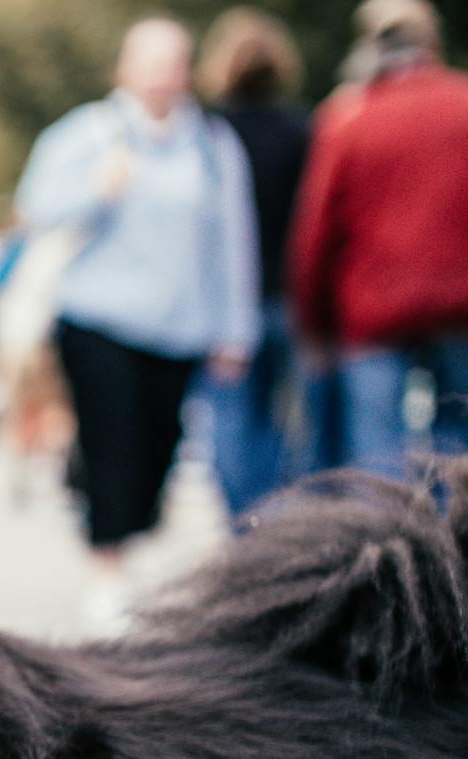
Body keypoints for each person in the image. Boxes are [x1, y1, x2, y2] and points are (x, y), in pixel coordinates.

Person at [14, 17, 259, 635]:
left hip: (179, 329)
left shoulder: (212, 144)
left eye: (172, 63)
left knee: (158, 453)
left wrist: (236, 329)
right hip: (100, 321)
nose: (160, 76)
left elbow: (233, 242)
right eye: (148, 63)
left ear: (188, 72)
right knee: (114, 444)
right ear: (124, 69)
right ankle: (108, 572)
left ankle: (118, 533)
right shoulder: (87, 134)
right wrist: (97, 190)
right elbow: (35, 210)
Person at [291, 0, 468, 477]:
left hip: (371, 310)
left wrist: (314, 325)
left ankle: (390, 545)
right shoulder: (463, 104)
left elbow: (317, 231)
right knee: (459, 447)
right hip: (460, 306)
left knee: (377, 455)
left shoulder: (348, 116)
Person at [195, 8, 310, 518]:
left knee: (231, 425)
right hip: (289, 298)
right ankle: (275, 523)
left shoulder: (205, 133)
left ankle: (248, 528)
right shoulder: (303, 130)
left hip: (226, 304)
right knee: (284, 424)